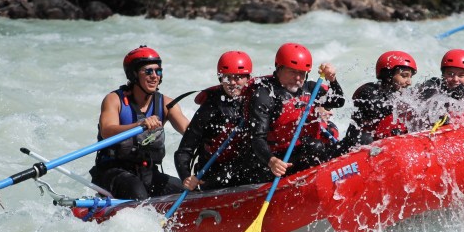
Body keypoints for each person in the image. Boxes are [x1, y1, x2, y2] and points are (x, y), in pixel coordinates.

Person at [90, 45, 190, 200]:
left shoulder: (166, 104)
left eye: (158, 71)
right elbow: (107, 130)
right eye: (148, 71)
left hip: (147, 172)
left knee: (185, 193)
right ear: (134, 74)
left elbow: (189, 130)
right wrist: (139, 125)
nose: (154, 76)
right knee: (137, 192)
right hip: (113, 172)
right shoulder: (114, 100)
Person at [247, 42, 345, 181]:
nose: (298, 78)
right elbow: (257, 138)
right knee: (315, 147)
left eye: (302, 73)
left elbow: (338, 101)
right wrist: (272, 161)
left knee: (353, 139)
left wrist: (332, 80)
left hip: (310, 149)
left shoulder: (310, 88)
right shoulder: (264, 95)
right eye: (293, 72)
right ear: (279, 68)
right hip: (281, 159)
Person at [174, 51, 253, 191]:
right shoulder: (209, 108)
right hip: (213, 173)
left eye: (238, 78)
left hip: (246, 168)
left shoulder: (256, 101)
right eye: (227, 77)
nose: (233, 83)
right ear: (220, 79)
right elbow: (183, 151)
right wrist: (186, 177)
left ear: (248, 78)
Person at [345, 50, 417, 147]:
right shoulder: (368, 91)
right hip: (359, 145)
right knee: (365, 138)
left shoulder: (401, 95)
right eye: (404, 76)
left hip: (385, 146)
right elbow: (376, 110)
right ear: (388, 75)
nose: (409, 82)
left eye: (410, 77)